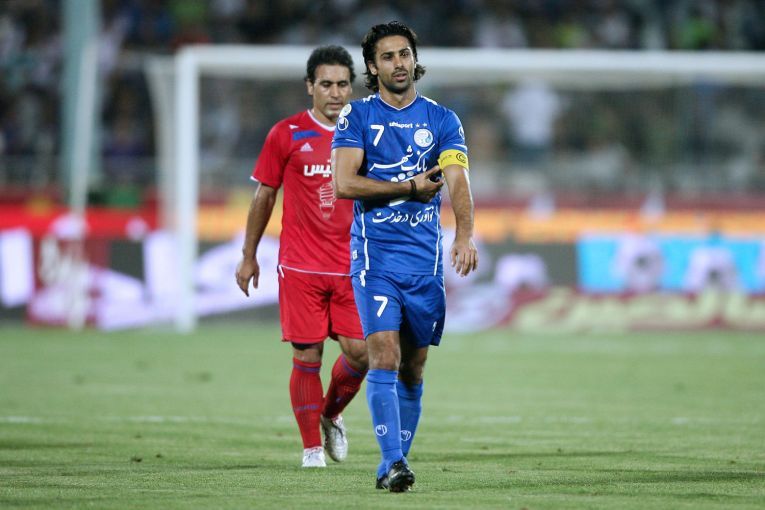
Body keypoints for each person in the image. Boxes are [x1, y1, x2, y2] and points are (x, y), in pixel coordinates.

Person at [331, 21, 478, 492]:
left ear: (415, 59)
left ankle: (394, 464)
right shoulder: (356, 117)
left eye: (405, 54)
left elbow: (457, 180)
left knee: (413, 369)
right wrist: (409, 188)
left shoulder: (442, 120)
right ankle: (393, 463)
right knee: (385, 355)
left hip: (424, 265)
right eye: (388, 56)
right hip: (375, 261)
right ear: (373, 67)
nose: (399, 63)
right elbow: (343, 184)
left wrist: (464, 235)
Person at [235, 46, 368, 469]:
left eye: (342, 84)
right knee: (308, 356)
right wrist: (248, 255)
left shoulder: (368, 131)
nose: (335, 93)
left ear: (352, 88)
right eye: (326, 84)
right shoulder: (286, 133)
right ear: (310, 86)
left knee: (362, 353)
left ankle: (330, 414)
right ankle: (311, 449)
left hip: (353, 266)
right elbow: (264, 196)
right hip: (301, 266)